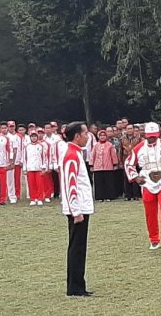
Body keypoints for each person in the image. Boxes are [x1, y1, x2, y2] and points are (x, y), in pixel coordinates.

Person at [125, 122, 161, 250]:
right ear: (145, 135)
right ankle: (154, 239)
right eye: (149, 136)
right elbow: (128, 163)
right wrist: (135, 177)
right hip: (147, 182)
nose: (152, 138)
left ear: (158, 134)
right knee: (150, 212)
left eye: (154, 136)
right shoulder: (138, 148)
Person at [59, 122, 94, 297]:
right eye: (85, 133)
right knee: (77, 247)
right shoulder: (71, 154)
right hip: (78, 208)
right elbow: (70, 184)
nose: (88, 136)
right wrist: (76, 210)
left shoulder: (75, 153)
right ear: (77, 136)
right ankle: (75, 287)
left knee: (79, 247)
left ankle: (78, 284)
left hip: (81, 206)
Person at [90, 131, 119, 202]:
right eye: (101, 135)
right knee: (99, 183)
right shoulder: (96, 145)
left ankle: (109, 196)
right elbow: (92, 156)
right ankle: (100, 197)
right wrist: (91, 165)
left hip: (108, 166)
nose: (102, 137)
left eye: (104, 135)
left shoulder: (110, 145)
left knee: (109, 182)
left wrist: (115, 164)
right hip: (97, 167)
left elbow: (113, 155)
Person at [23, 131, 46, 206]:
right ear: (30, 137)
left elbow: (44, 157)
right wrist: (25, 169)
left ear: (37, 137)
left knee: (39, 184)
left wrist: (43, 167)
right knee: (31, 184)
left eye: (35, 136)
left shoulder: (41, 146)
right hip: (30, 168)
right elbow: (25, 158)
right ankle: (33, 198)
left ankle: (39, 198)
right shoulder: (27, 146)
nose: (33, 137)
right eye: (32, 136)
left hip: (38, 167)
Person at [0, 123, 13, 205]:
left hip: (2, 164)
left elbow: (9, 150)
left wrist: (10, 161)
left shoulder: (5, 138)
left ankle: (2, 199)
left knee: (3, 183)